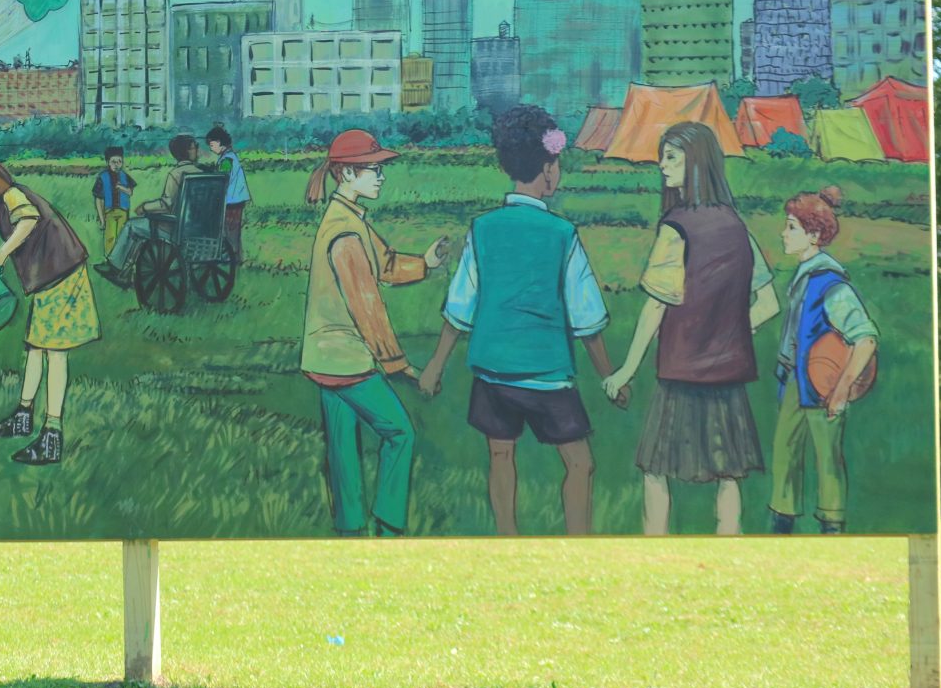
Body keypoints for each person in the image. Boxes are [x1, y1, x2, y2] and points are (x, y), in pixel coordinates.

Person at [418, 105, 622, 536]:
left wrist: (435, 366)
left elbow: (461, 306)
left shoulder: (483, 228)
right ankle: (578, 544)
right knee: (580, 463)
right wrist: (609, 376)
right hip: (547, 373)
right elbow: (586, 318)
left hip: (493, 370)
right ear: (548, 170)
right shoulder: (562, 234)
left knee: (501, 455)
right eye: (557, 164)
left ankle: (507, 538)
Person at [603, 122, 781, 535]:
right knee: (729, 473)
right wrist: (732, 331)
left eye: (671, 157)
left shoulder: (676, 226)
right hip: (728, 373)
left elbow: (655, 306)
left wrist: (626, 371)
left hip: (680, 372)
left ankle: (656, 550)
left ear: (696, 162)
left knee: (656, 469)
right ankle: (729, 549)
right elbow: (769, 303)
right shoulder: (737, 225)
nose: (661, 165)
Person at [300, 129, 449, 537]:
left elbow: (385, 264)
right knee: (400, 433)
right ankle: (388, 526)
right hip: (348, 359)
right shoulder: (346, 232)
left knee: (342, 448)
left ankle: (350, 531)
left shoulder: (347, 219)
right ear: (347, 174)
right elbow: (368, 309)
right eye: (373, 169)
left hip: (322, 356)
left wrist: (425, 263)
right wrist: (399, 366)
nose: (382, 177)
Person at [0, 156, 99, 464]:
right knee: (36, 348)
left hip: (61, 274)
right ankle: (24, 416)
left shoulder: (12, 194)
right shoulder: (2, 202)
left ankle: (52, 436)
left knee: (55, 352)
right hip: (50, 278)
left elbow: (29, 220)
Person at [769, 187, 878, 534]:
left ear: (814, 235)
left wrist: (841, 389)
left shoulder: (830, 284)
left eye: (791, 227)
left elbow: (865, 337)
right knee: (784, 453)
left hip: (822, 385)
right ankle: (781, 523)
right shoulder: (804, 276)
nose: (783, 234)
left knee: (827, 458)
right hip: (795, 380)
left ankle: (832, 527)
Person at [95, 134, 210, 286]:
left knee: (131, 226)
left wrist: (144, 207)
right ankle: (126, 271)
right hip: (198, 228)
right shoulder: (203, 174)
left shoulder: (176, 174)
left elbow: (166, 204)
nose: (197, 150)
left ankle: (115, 267)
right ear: (187, 151)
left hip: (175, 229)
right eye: (195, 147)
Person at [205, 124, 251, 264]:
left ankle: (233, 258)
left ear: (219, 142)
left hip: (232, 201)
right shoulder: (229, 156)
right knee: (232, 231)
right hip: (235, 200)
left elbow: (223, 177)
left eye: (212, 145)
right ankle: (235, 258)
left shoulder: (227, 159)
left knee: (231, 231)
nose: (211, 149)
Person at [91, 146, 136, 257]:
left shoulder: (125, 176)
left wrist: (121, 187)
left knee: (122, 237)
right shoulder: (102, 177)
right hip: (109, 212)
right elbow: (98, 199)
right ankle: (109, 259)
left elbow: (130, 192)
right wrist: (102, 219)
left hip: (123, 212)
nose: (117, 164)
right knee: (110, 238)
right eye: (113, 162)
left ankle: (120, 260)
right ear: (108, 162)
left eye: (119, 161)